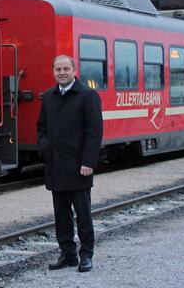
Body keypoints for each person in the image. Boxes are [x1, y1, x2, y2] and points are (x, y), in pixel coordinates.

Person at [37, 55, 103, 272]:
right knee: (61, 215)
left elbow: (94, 132)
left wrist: (88, 162)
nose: (62, 72)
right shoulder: (48, 96)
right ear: (53, 72)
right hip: (56, 165)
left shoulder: (88, 95)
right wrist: (45, 147)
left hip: (79, 167)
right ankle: (68, 254)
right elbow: (42, 127)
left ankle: (86, 255)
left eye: (66, 68)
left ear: (75, 70)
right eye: (58, 69)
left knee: (83, 214)